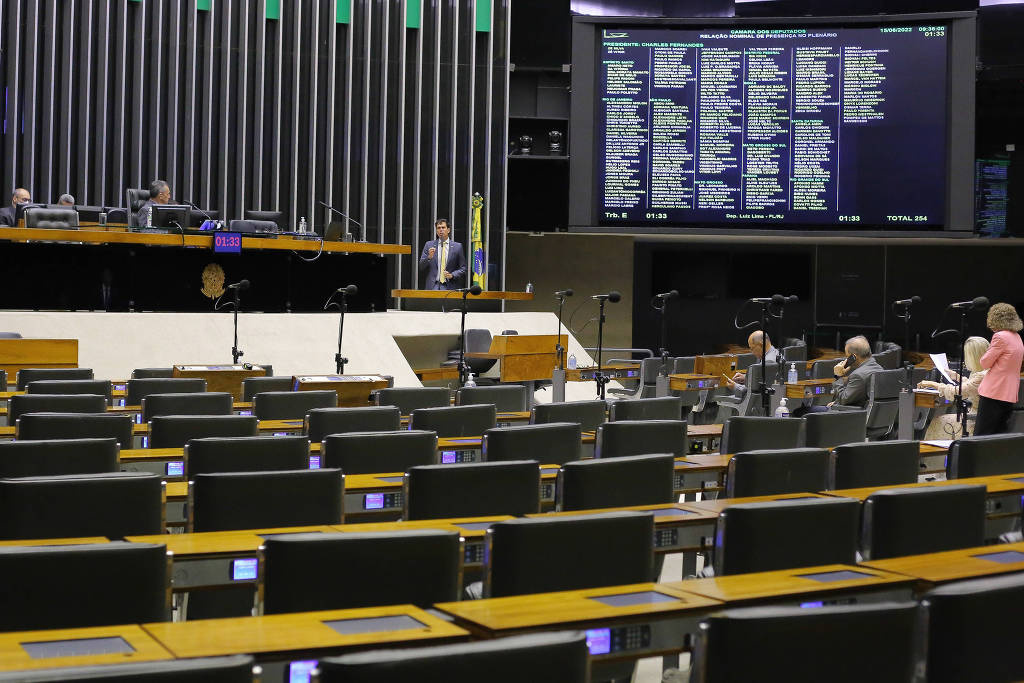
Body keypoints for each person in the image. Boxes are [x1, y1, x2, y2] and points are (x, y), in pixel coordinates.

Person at [919, 336, 989, 439]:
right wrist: (956, 376)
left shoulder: (980, 376)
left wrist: (932, 384)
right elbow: (971, 386)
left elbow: (955, 392)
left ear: (973, 356)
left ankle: (936, 453)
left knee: (937, 421)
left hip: (974, 422)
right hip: (982, 419)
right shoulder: (988, 373)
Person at [974, 302, 1024, 435]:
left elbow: (984, 363)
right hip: (1009, 394)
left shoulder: (1000, 337)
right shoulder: (1017, 337)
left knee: (981, 435)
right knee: (998, 437)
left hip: (994, 392)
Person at [723, 330, 782, 396]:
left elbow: (752, 393)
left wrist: (735, 386)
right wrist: (746, 378)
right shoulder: (776, 353)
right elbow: (766, 379)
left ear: (762, 344)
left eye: (752, 348)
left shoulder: (767, 363)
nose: (751, 351)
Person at [418, 218, 466, 290]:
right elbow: (421, 266)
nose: (441, 230)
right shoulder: (429, 245)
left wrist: (452, 275)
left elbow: (463, 268)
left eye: (443, 227)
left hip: (449, 285)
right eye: (438, 228)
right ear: (436, 231)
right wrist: (429, 257)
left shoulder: (457, 247)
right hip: (433, 285)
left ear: (448, 230)